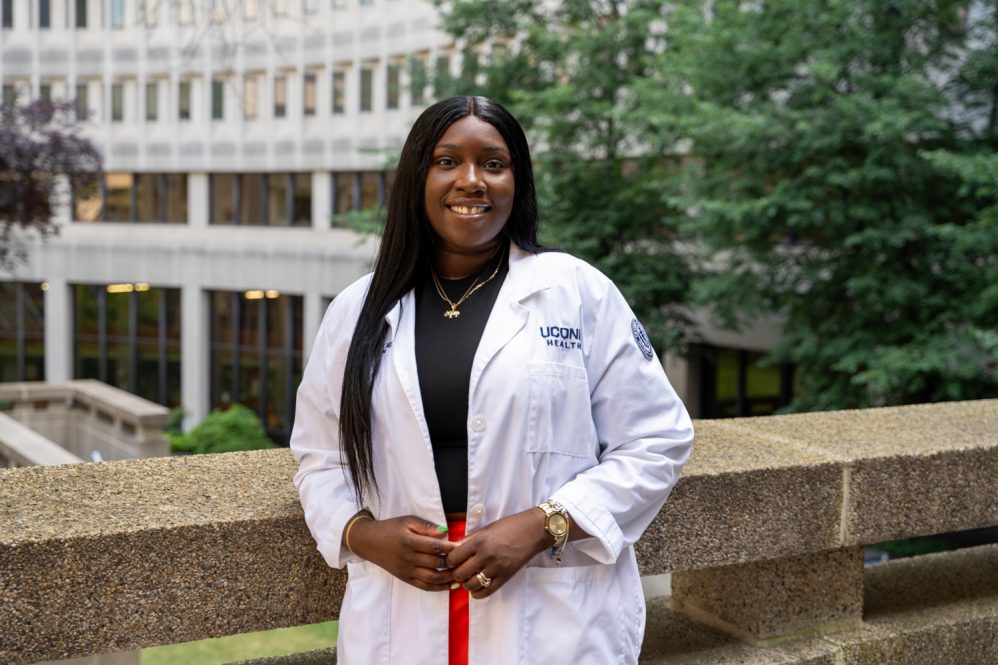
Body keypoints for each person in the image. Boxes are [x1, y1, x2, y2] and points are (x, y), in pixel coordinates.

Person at [290, 96, 693, 665]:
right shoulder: (358, 310)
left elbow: (657, 440)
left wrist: (543, 524)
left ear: (516, 181)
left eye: (494, 164)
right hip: (402, 612)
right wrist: (361, 535)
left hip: (549, 613)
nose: (471, 180)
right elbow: (318, 454)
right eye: (448, 161)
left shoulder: (576, 291)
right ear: (417, 178)